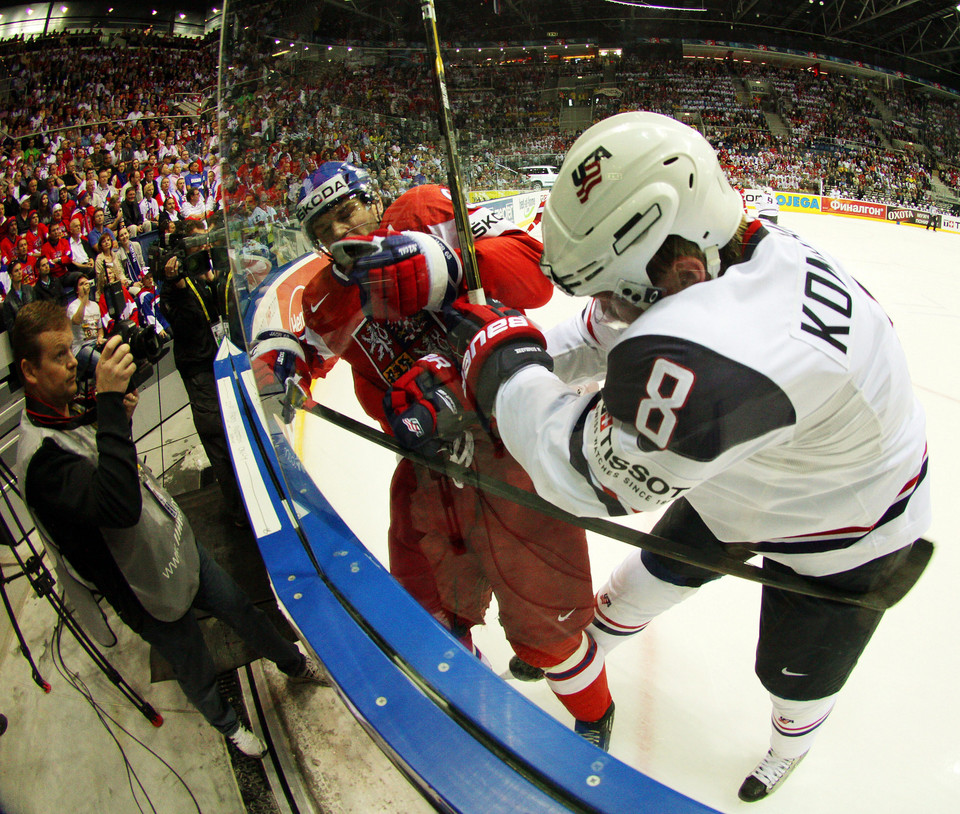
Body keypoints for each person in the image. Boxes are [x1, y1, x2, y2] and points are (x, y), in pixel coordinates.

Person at [393, 112, 931, 800]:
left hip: (845, 536)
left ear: (679, 271)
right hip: (763, 475)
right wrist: (500, 355)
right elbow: (596, 334)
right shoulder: (723, 261)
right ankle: (593, 654)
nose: (609, 307)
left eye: (617, 291)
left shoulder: (724, 345)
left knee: (793, 675)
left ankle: (790, 740)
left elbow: (583, 472)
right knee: (633, 589)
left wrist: (494, 360)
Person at [277, 162, 614, 746]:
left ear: (371, 200)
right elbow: (310, 344)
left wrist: (453, 264)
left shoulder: (425, 212)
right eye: (324, 224)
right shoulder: (326, 292)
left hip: (507, 455)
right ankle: (474, 709)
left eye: (348, 209)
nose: (341, 228)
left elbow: (533, 273)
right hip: (429, 471)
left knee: (546, 627)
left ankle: (594, 715)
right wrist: (282, 357)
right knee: (431, 609)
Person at [11, 301, 329, 759]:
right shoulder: (40, 460)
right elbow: (114, 505)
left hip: (170, 539)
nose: (73, 363)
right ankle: (228, 724)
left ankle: (293, 661)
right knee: (192, 663)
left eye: (73, 348)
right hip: (139, 586)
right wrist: (110, 412)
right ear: (29, 370)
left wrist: (110, 412)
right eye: (60, 356)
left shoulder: (64, 408)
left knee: (240, 608)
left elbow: (110, 457)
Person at [159, 221, 244, 527]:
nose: (205, 248)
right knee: (218, 437)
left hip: (227, 359)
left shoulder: (213, 275)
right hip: (201, 371)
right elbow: (186, 322)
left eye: (206, 242)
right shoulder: (172, 289)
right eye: (197, 245)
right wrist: (179, 286)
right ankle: (237, 510)